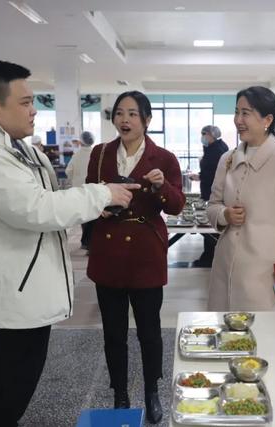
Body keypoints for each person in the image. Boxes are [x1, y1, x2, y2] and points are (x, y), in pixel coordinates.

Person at [0, 60, 139, 427]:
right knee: (2, 394)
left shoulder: (13, 148)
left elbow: (43, 200)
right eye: (26, 102)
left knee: (15, 388)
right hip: (6, 299)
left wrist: (95, 201)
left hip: (23, 293)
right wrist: (102, 193)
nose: (34, 111)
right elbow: (36, 209)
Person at [85, 91, 185, 423]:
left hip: (145, 253)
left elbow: (176, 205)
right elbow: (88, 195)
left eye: (132, 114)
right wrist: (101, 207)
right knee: (113, 332)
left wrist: (161, 188)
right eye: (119, 113)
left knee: (149, 330)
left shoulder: (165, 158)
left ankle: (152, 391)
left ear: (146, 120)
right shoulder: (99, 154)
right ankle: (120, 394)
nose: (124, 120)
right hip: (108, 251)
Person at [207, 86, 275, 311]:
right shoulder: (227, 159)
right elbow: (213, 205)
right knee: (227, 336)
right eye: (236, 112)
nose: (238, 120)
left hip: (266, 274)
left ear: (267, 119)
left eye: (246, 113)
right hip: (225, 270)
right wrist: (224, 215)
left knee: (265, 337)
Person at [191, 125, 228, 267]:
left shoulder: (217, 150)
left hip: (214, 192)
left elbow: (214, 173)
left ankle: (209, 257)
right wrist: (200, 176)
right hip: (209, 190)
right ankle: (209, 255)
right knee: (210, 224)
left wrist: (201, 176)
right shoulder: (213, 148)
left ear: (212, 135)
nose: (202, 137)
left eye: (204, 134)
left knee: (210, 225)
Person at [66, 131, 96, 250]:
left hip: (79, 190)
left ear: (81, 141)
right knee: (94, 215)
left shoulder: (76, 155)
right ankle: (91, 241)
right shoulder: (96, 153)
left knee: (84, 216)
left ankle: (85, 241)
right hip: (94, 190)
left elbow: (68, 171)